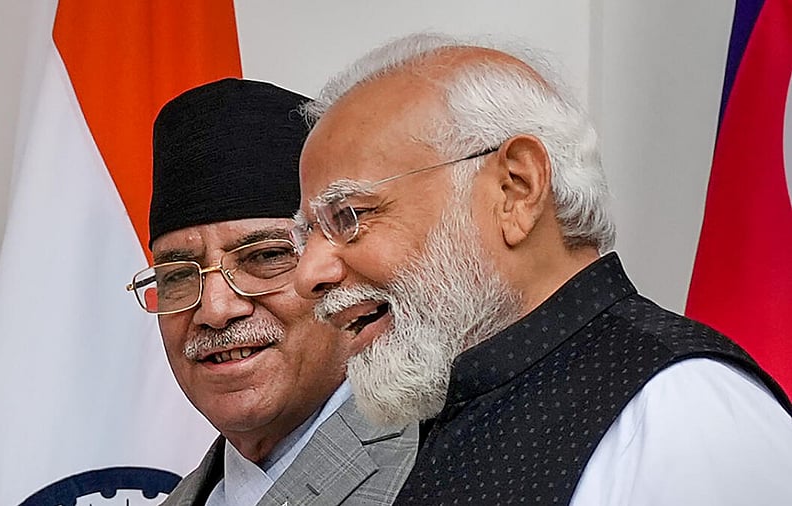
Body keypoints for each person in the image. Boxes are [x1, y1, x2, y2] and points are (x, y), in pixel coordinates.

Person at [291, 33, 792, 505]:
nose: (307, 274)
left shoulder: (684, 416)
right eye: (306, 233)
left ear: (516, 189)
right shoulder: (452, 411)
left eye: (348, 216)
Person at [126, 78, 417, 506]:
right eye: (179, 276)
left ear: (343, 273)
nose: (215, 308)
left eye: (264, 258)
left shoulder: (449, 466)